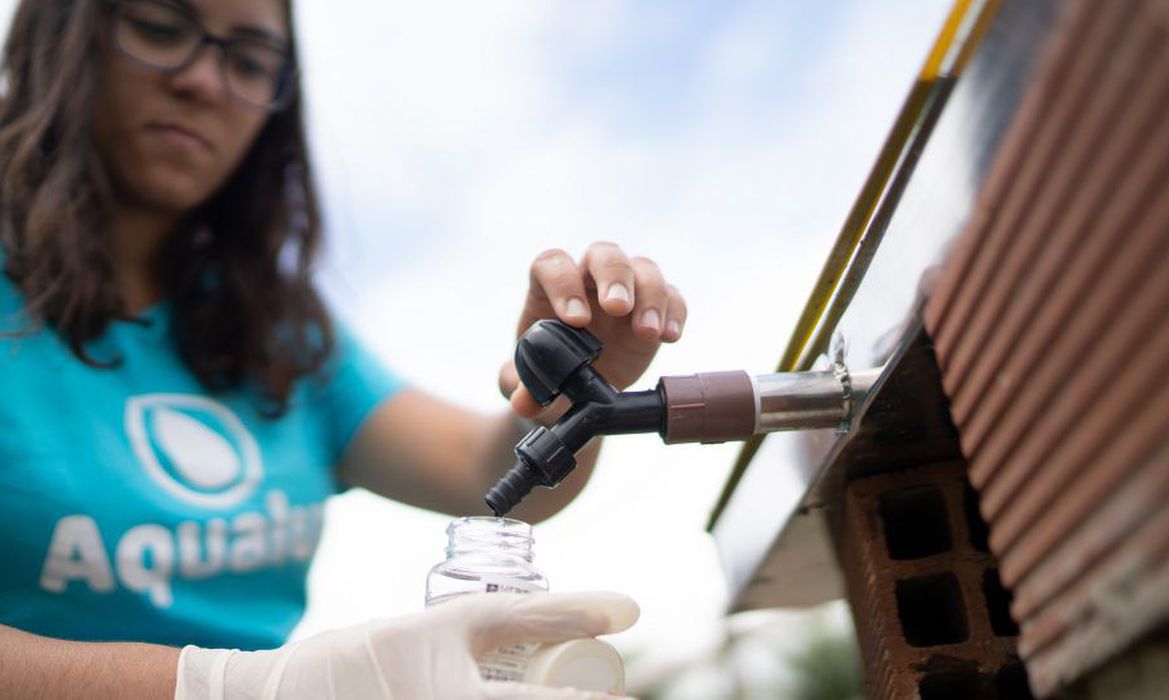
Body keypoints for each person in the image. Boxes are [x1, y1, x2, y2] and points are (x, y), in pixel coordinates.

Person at [0, 0, 688, 697]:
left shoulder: (275, 331)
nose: (203, 82)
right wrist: (226, 686)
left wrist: (569, 383)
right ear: (61, 33)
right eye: (159, 28)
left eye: (248, 60)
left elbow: (487, 476)